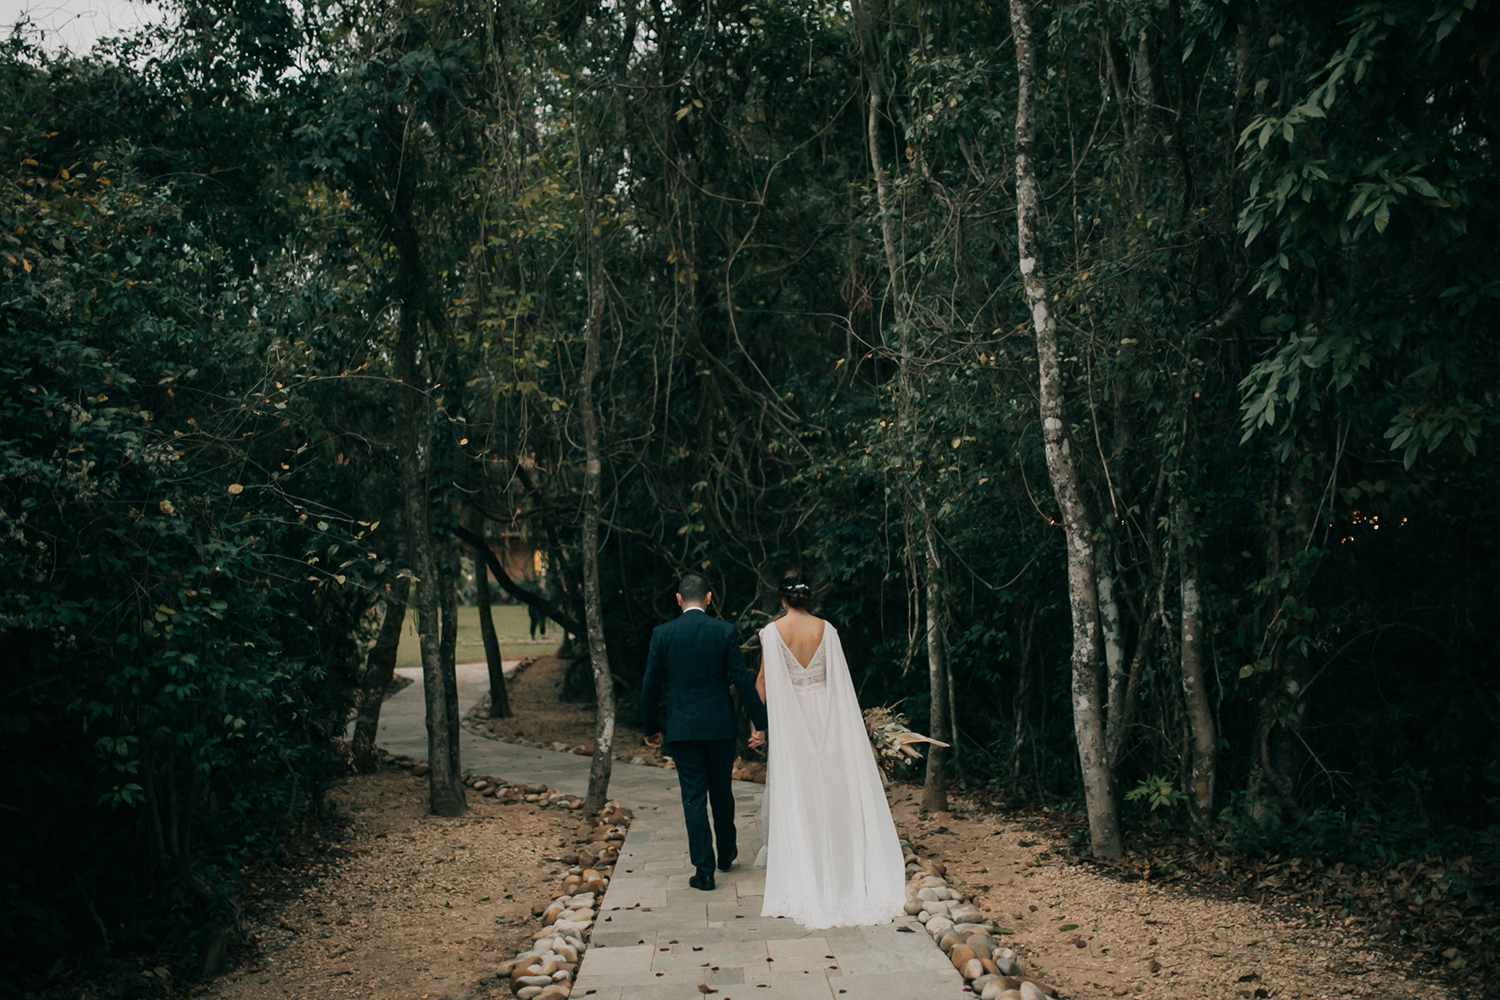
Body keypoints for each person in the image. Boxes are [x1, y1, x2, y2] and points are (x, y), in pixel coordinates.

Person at [748, 570, 906, 928]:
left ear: (781, 596)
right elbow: (840, 681)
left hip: (792, 720)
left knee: (798, 790)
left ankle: (808, 863)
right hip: (827, 714)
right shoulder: (827, 630)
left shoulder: (772, 633)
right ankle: (840, 858)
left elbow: (762, 681)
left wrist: (759, 727)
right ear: (807, 595)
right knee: (833, 787)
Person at [641, 572, 767, 891]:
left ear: (679, 599)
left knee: (693, 797)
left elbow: (650, 685)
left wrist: (650, 728)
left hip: (682, 728)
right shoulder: (723, 631)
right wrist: (761, 723)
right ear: (709, 598)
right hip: (720, 726)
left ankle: (705, 870)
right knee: (721, 790)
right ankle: (726, 855)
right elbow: (741, 678)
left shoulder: (662, 634)